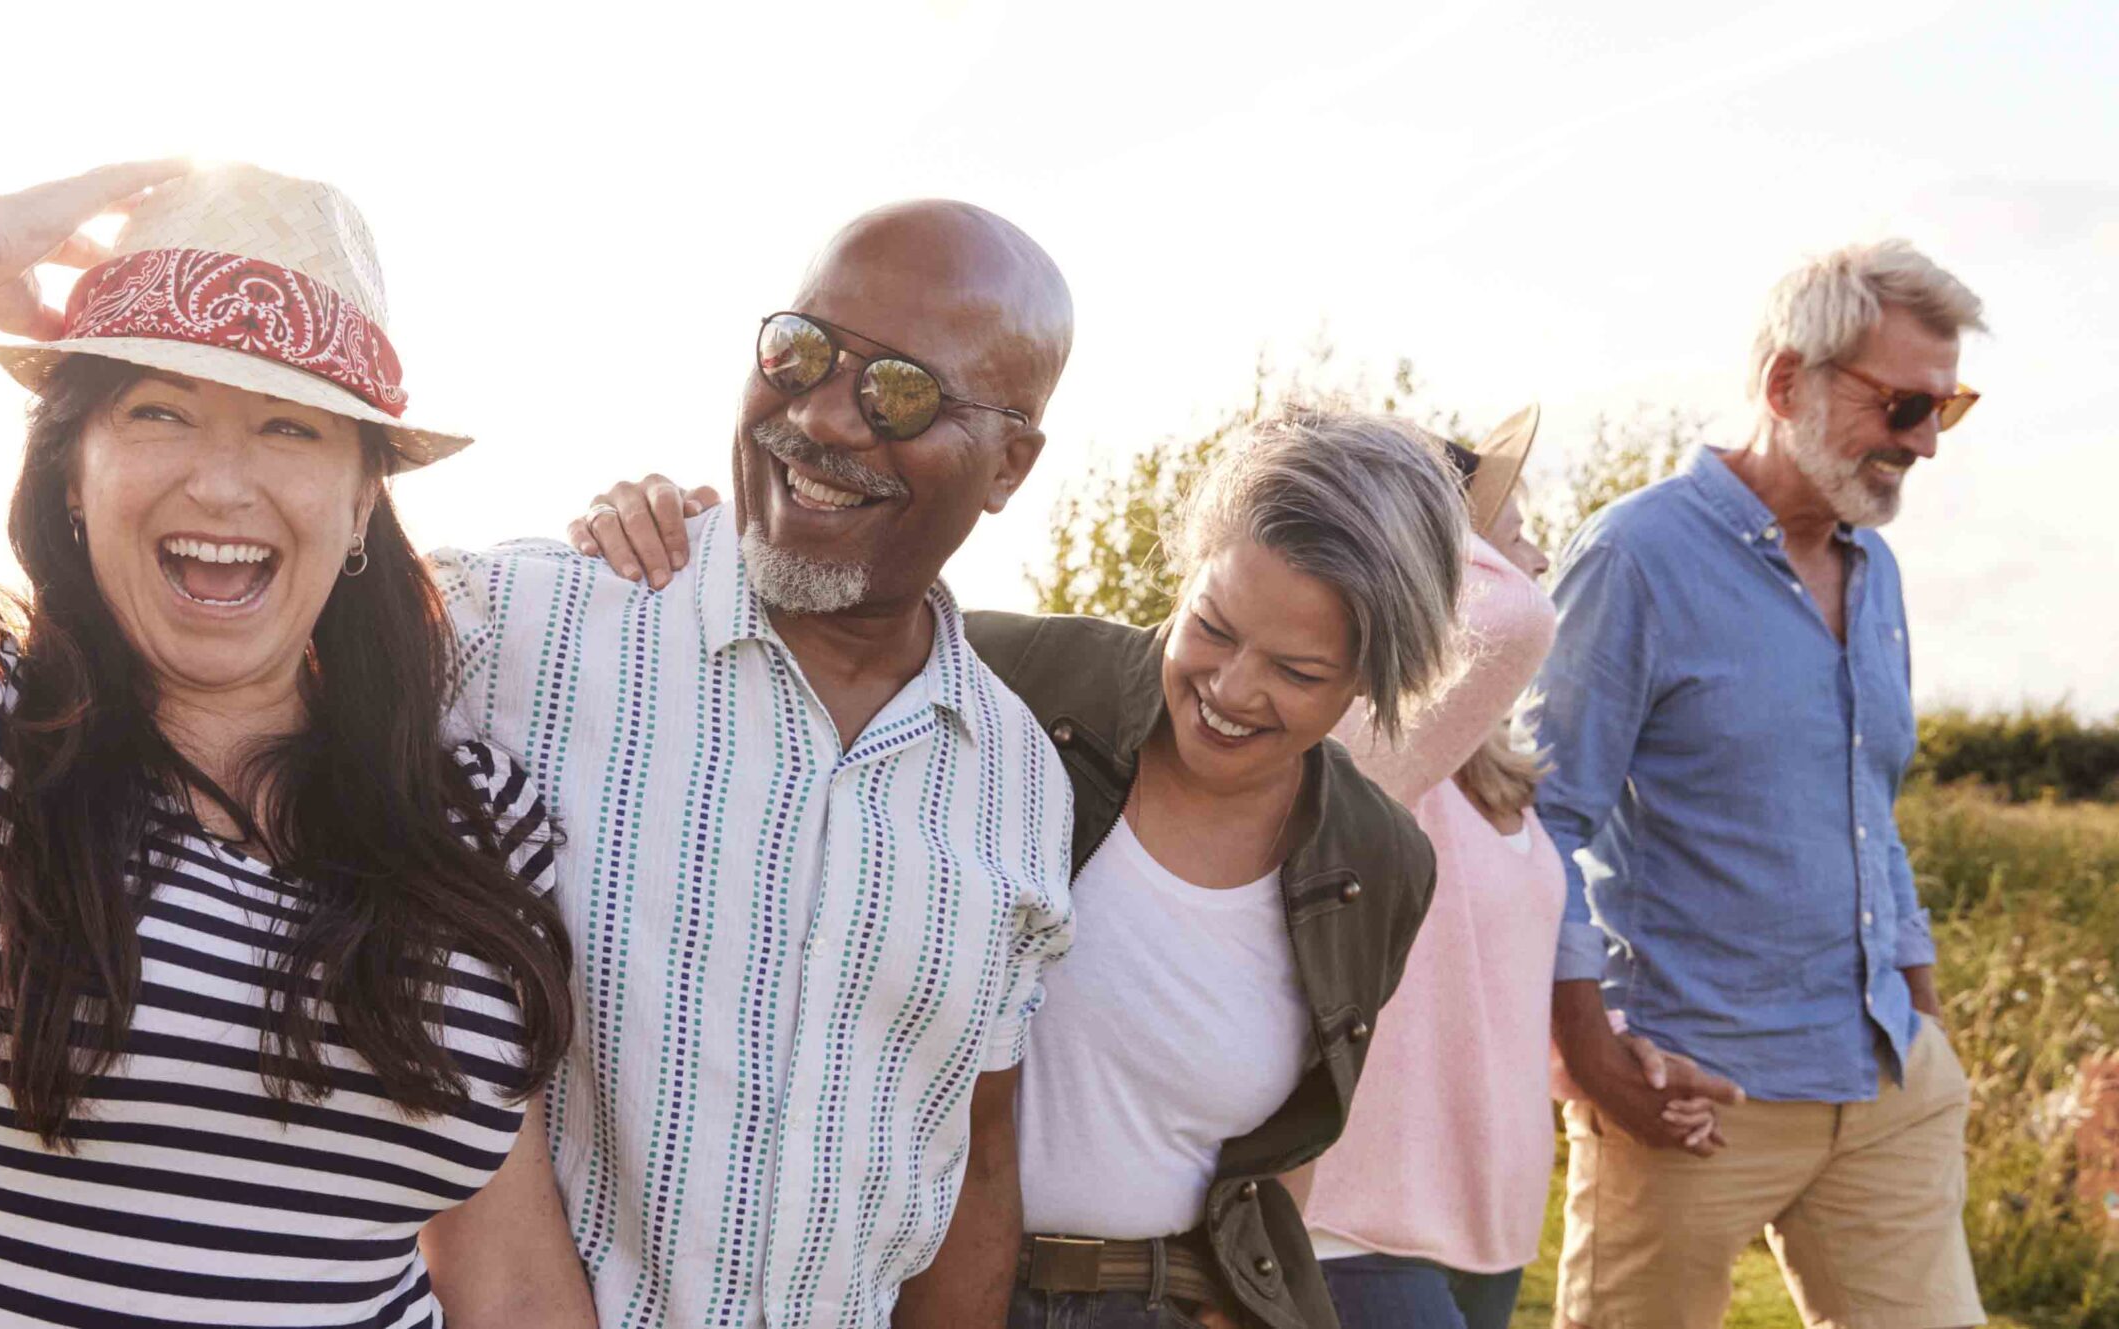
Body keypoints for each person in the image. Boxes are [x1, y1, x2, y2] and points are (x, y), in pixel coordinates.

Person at [0, 163, 592, 1329]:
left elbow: (506, 1269)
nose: (222, 480)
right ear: (73, 473)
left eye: (288, 426)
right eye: (158, 410)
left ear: (359, 505)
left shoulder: (470, 821)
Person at [575, 404, 1485, 1329]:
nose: (1234, 689)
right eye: (1212, 627)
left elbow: (1289, 1143)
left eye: (1296, 672)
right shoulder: (1004, 675)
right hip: (896, 1284)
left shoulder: (1379, 859)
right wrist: (668, 527)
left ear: (1372, 678)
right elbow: (773, 627)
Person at [429, 200, 1079, 1328]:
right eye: (800, 352)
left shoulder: (1022, 787)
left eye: (903, 392)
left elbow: (970, 1163)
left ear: (1011, 462)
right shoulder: (520, 636)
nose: (824, 418)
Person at [1534, 238, 1989, 1329]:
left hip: (1884, 1085)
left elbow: (1868, 815)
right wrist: (1593, 1063)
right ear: (1788, 383)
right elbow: (1541, 817)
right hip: (1696, 1096)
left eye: (1946, 410)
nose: (1923, 445)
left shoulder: (1876, 575)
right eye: (1901, 408)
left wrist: (1920, 1022)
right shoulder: (1635, 558)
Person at [1299, 408, 1738, 1329]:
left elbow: (1481, 971)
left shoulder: (1497, 780)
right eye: (1516, 534)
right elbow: (1512, 617)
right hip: (1354, 1220)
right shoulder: (1369, 754)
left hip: (1488, 1224)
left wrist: (1605, 1059)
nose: (1539, 559)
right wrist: (1408, 520)